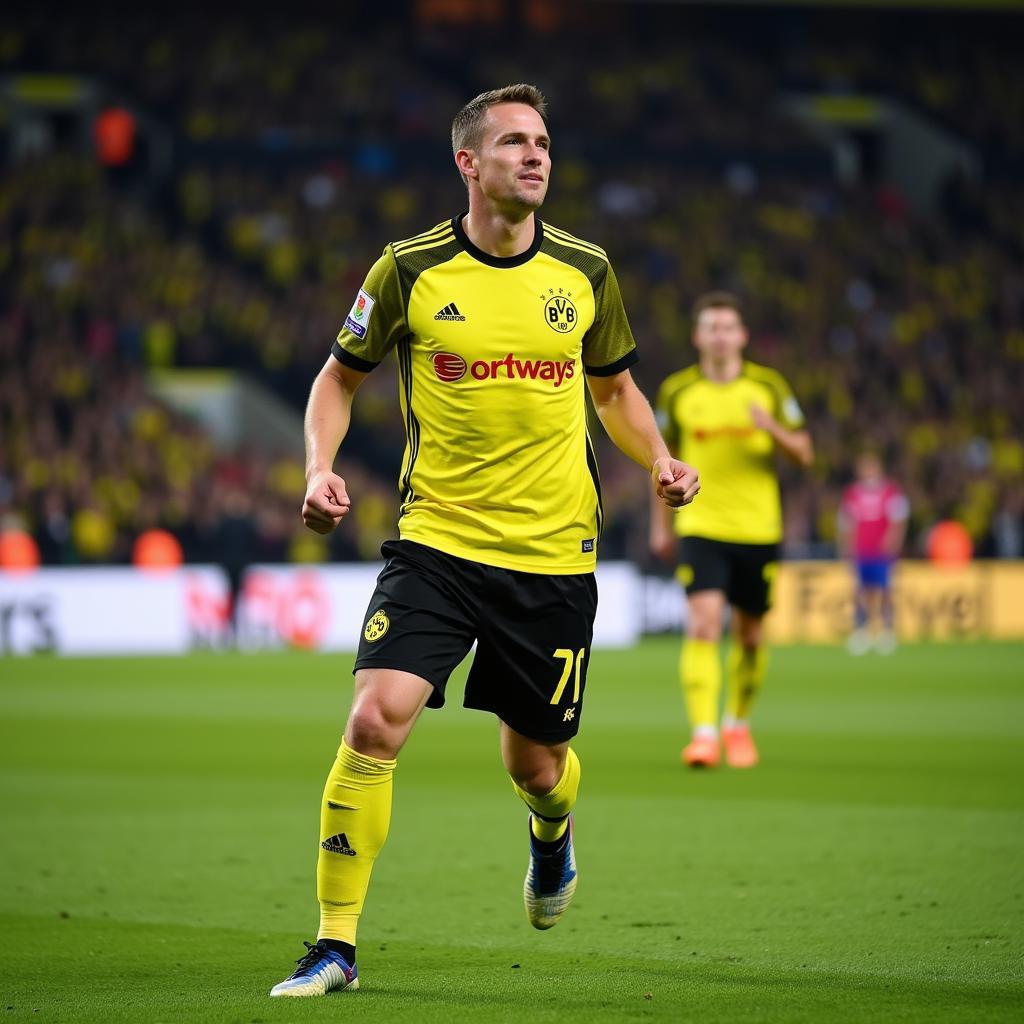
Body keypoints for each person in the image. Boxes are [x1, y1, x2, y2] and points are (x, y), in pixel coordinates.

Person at [270, 84, 700, 998]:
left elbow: (615, 390)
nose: (536, 156)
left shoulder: (584, 271)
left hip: (551, 559)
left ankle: (552, 836)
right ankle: (334, 944)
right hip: (436, 544)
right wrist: (318, 469)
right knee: (373, 719)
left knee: (535, 764)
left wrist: (659, 456)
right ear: (469, 163)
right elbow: (337, 380)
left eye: (543, 141)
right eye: (514, 143)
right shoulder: (409, 269)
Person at [649, 292, 812, 770]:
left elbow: (805, 453)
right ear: (698, 336)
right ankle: (703, 735)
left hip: (758, 528)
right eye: (711, 327)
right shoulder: (678, 392)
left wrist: (771, 429)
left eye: (728, 327)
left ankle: (737, 724)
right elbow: (662, 462)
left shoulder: (768, 387)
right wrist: (662, 526)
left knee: (752, 635)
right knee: (702, 622)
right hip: (701, 524)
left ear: (742, 335)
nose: (720, 335)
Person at [838, 452, 908, 655]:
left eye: (871, 467)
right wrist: (846, 547)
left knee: (885, 591)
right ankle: (862, 631)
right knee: (861, 592)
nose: (867, 472)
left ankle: (887, 631)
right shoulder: (852, 493)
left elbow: (899, 520)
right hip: (861, 550)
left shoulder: (890, 492)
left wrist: (893, 541)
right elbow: (846, 523)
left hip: (881, 551)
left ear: (878, 469)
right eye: (864, 468)